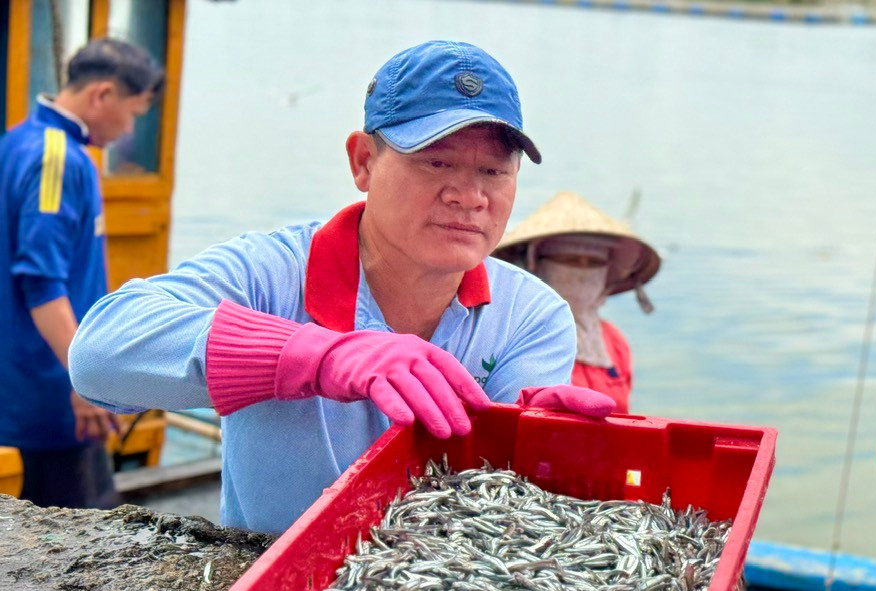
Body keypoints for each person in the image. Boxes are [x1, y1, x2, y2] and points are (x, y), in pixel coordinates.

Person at [68, 41, 612, 534]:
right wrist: (318, 356)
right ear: (363, 162)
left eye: (494, 172)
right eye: (436, 162)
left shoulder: (532, 315)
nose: (468, 196)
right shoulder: (273, 273)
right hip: (265, 584)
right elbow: (97, 355)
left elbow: (502, 510)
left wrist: (539, 441)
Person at [1, 39, 163, 509]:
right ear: (102, 95)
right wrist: (84, 380)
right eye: (133, 113)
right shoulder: (59, 158)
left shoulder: (18, 139)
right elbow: (41, 282)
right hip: (52, 401)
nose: (130, 128)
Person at [492, 191, 660, 413]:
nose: (581, 272)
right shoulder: (511, 332)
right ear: (536, 264)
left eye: (593, 262)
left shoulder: (614, 342)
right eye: (569, 260)